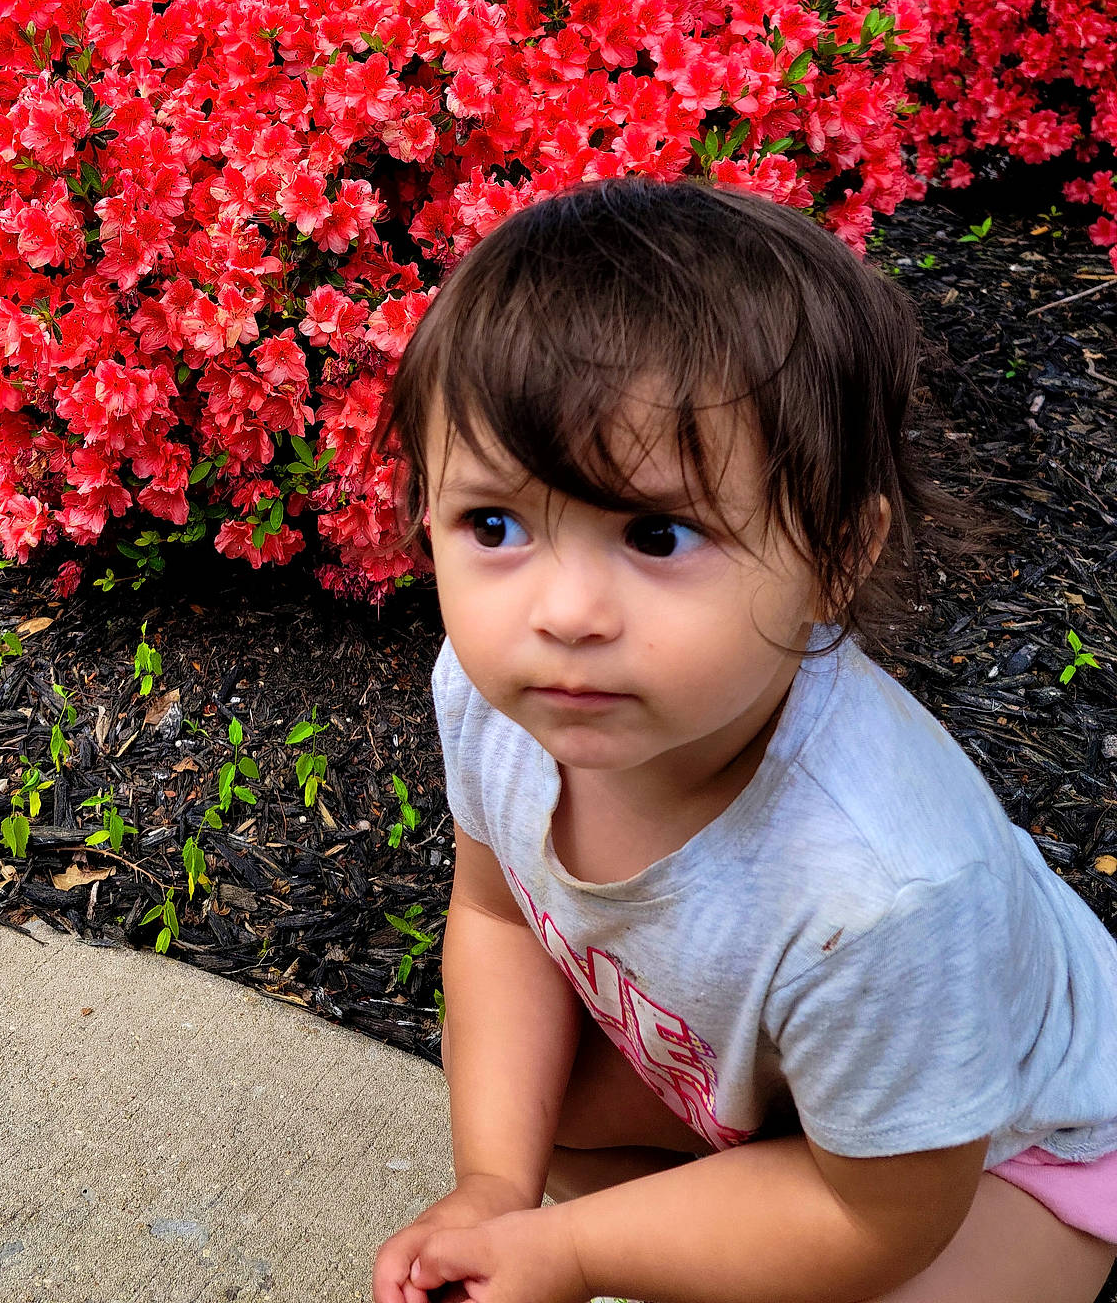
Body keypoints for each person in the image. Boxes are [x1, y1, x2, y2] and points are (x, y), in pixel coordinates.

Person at [370, 178, 1117, 1303]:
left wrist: (572, 1252)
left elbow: (878, 1217)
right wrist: (493, 1186)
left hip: (1012, 1148)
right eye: (496, 523)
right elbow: (495, 916)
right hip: (782, 1082)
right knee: (540, 1107)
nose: (563, 611)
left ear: (834, 554)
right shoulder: (495, 699)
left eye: (657, 532)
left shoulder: (882, 893)